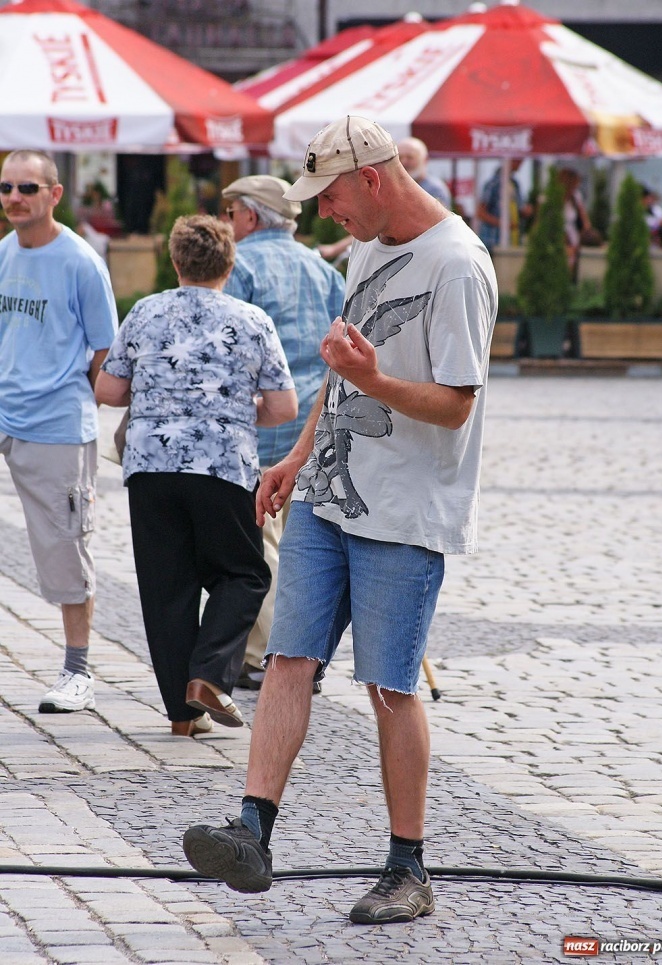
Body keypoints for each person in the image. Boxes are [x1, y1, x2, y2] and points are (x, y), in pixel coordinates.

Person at [182, 115, 497, 923]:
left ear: (372, 177)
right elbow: (344, 371)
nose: (325, 214)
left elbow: (456, 406)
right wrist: (298, 456)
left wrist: (372, 378)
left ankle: (407, 868)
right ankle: (251, 829)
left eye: (329, 197)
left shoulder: (456, 263)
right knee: (289, 659)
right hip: (330, 492)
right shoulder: (365, 247)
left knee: (389, 686)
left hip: (403, 511)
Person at [95, 215, 297, 736]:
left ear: (177, 261)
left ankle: (183, 717)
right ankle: (209, 674)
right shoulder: (251, 320)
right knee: (246, 573)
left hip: (151, 466)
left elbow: (108, 392)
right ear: (229, 264)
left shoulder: (144, 312)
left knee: (168, 588)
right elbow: (284, 406)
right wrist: (236, 409)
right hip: (223, 464)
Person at [0, 149, 117, 713]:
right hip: (4, 411)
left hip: (57, 424)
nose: (14, 197)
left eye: (26, 187)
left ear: (54, 193)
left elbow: (105, 350)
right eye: (6, 188)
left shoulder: (80, 261)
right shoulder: (3, 254)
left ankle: (78, 671)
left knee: (65, 546)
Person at [219, 175, 345, 691]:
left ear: (250, 217)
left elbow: (229, 351)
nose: (227, 225)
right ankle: (300, 652)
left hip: (264, 425)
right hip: (315, 427)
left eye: (230, 214)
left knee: (260, 544)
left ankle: (268, 654)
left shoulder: (240, 265)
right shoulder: (322, 269)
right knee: (301, 547)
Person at [319, 134, 451, 262]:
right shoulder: (389, 187)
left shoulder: (434, 189)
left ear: (425, 160)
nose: (405, 161)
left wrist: (335, 249)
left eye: (410, 157)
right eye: (401, 157)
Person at [476, 158, 531, 253]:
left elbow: (519, 210)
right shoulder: (493, 184)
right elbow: (480, 213)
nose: (521, 163)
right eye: (517, 159)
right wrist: (503, 224)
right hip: (491, 241)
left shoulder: (515, 184)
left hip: (511, 241)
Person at [558, 167, 592, 279]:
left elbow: (585, 222)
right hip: (558, 238)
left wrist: (584, 236)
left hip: (573, 238)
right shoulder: (551, 198)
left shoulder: (576, 197)